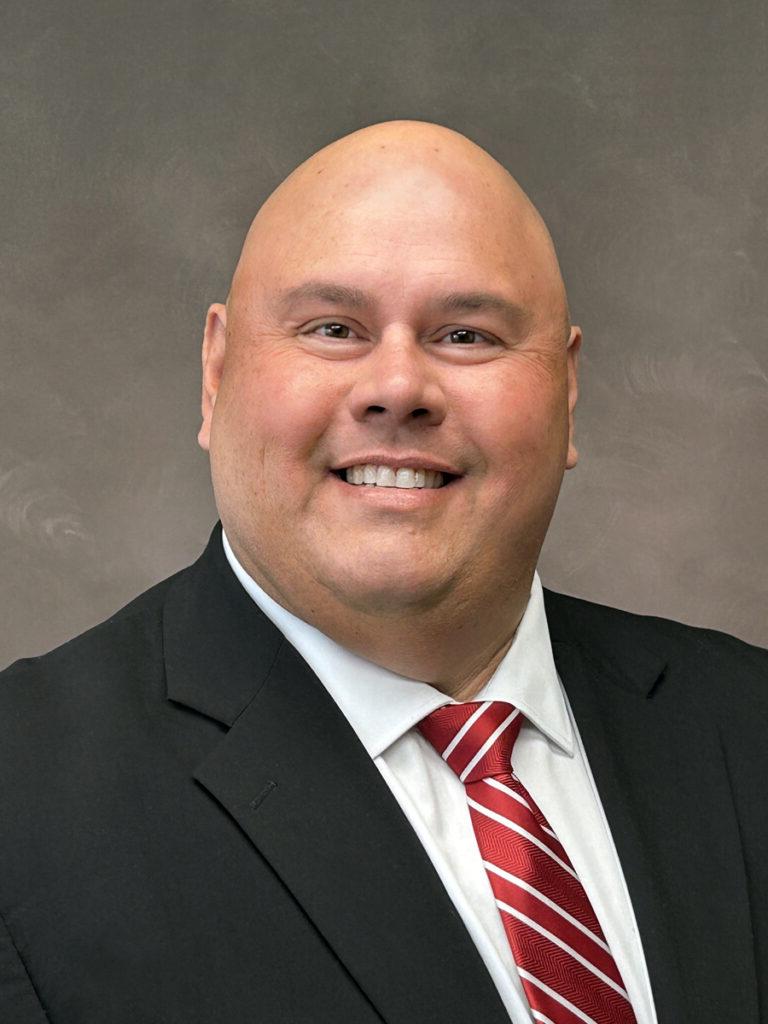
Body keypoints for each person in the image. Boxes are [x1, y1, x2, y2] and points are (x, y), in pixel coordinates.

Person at [0, 120, 765, 1024]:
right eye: (333, 328)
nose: (397, 387)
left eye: (467, 335)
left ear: (565, 393)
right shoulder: (25, 802)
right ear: (215, 374)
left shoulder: (744, 722)